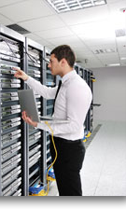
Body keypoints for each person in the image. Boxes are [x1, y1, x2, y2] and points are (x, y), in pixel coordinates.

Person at [14, 45, 92, 196]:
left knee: (71, 192)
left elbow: (73, 125)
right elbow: (47, 92)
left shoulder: (77, 87)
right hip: (61, 147)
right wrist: (27, 78)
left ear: (63, 62)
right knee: (65, 190)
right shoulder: (66, 84)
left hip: (69, 149)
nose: (48, 65)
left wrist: (39, 125)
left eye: (51, 61)